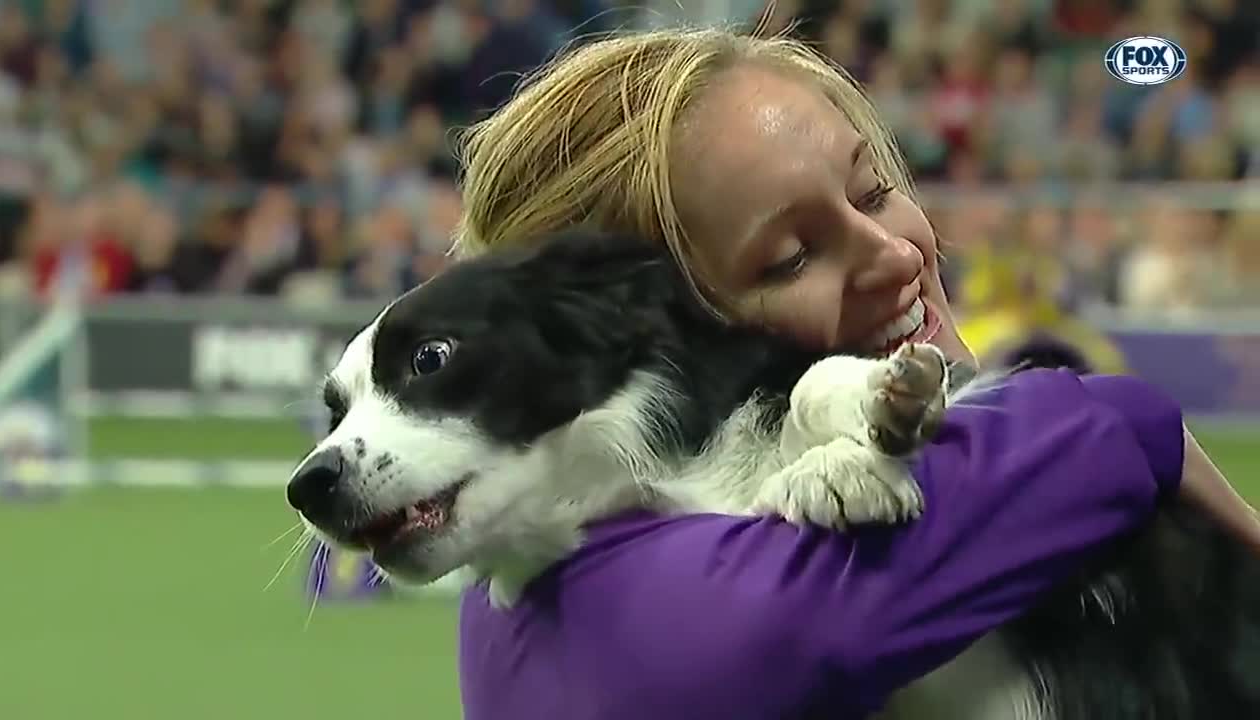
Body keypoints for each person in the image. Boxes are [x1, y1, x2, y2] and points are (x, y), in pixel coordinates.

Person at [447, 28, 1260, 719]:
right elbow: (1101, 435)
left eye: (872, 191)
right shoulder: (674, 623)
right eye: (790, 257)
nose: (898, 253)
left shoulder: (526, 575)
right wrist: (1114, 426)